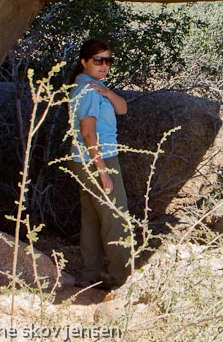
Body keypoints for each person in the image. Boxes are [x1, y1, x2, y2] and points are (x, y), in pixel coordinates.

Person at [68, 38, 131, 289]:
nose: (104, 65)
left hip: (82, 160)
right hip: (99, 158)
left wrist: (108, 92)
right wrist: (103, 171)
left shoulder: (93, 88)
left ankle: (89, 274)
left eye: (108, 60)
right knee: (116, 218)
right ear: (84, 62)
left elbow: (123, 109)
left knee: (92, 218)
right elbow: (88, 132)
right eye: (98, 60)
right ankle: (122, 279)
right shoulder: (87, 91)